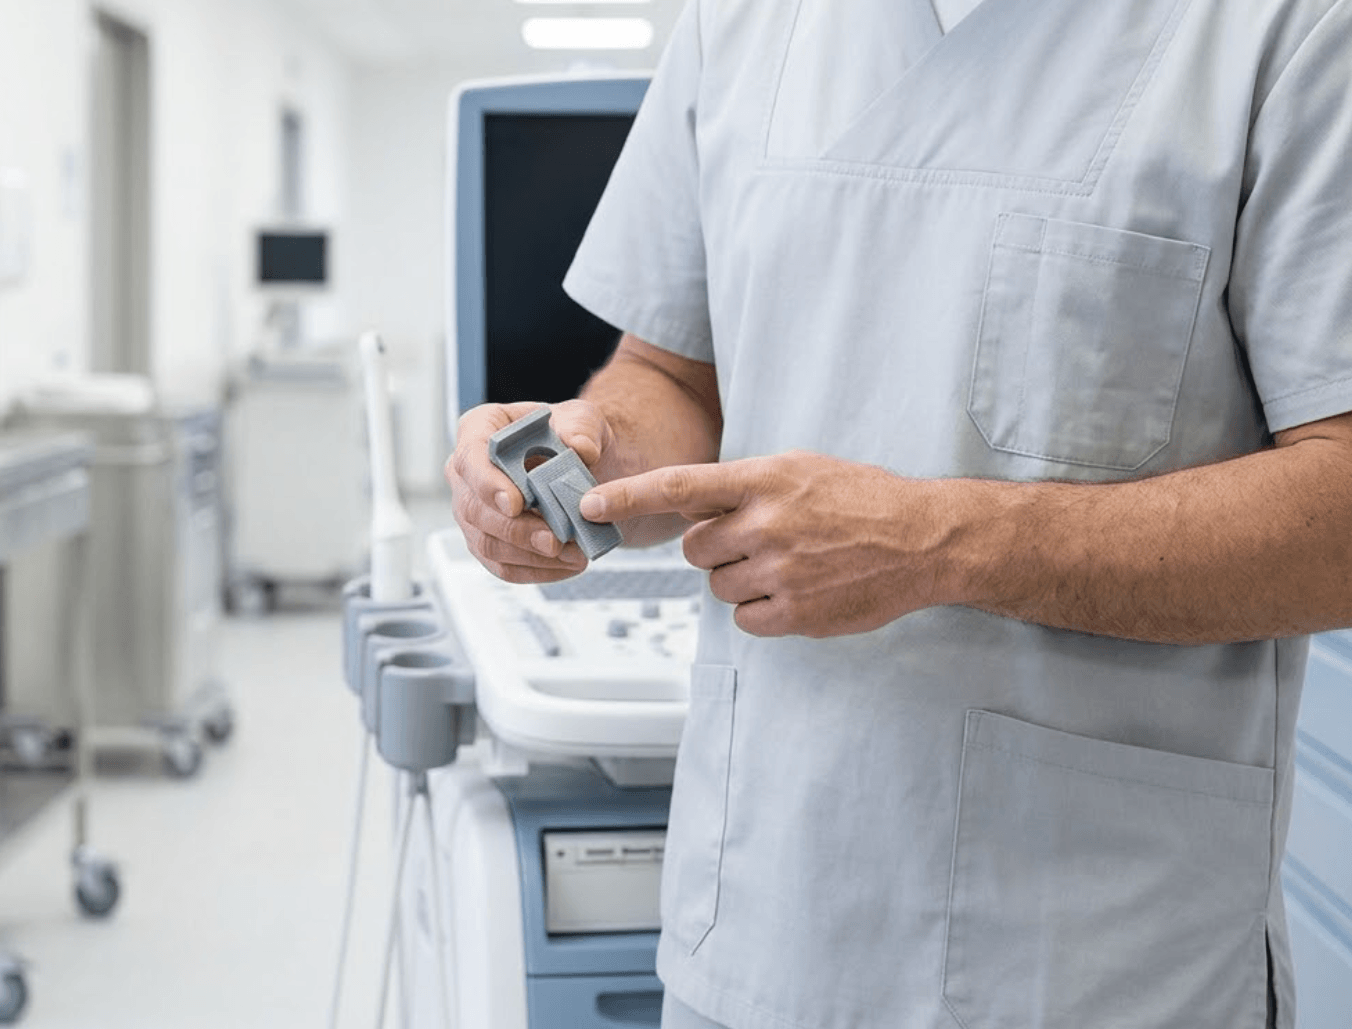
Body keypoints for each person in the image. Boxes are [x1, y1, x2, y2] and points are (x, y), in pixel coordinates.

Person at [445, 1, 1352, 1027]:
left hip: (1101, 961)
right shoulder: (739, 26)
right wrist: (586, 455)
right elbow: (670, 372)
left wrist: (941, 545)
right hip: (758, 935)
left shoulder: (1285, 32)